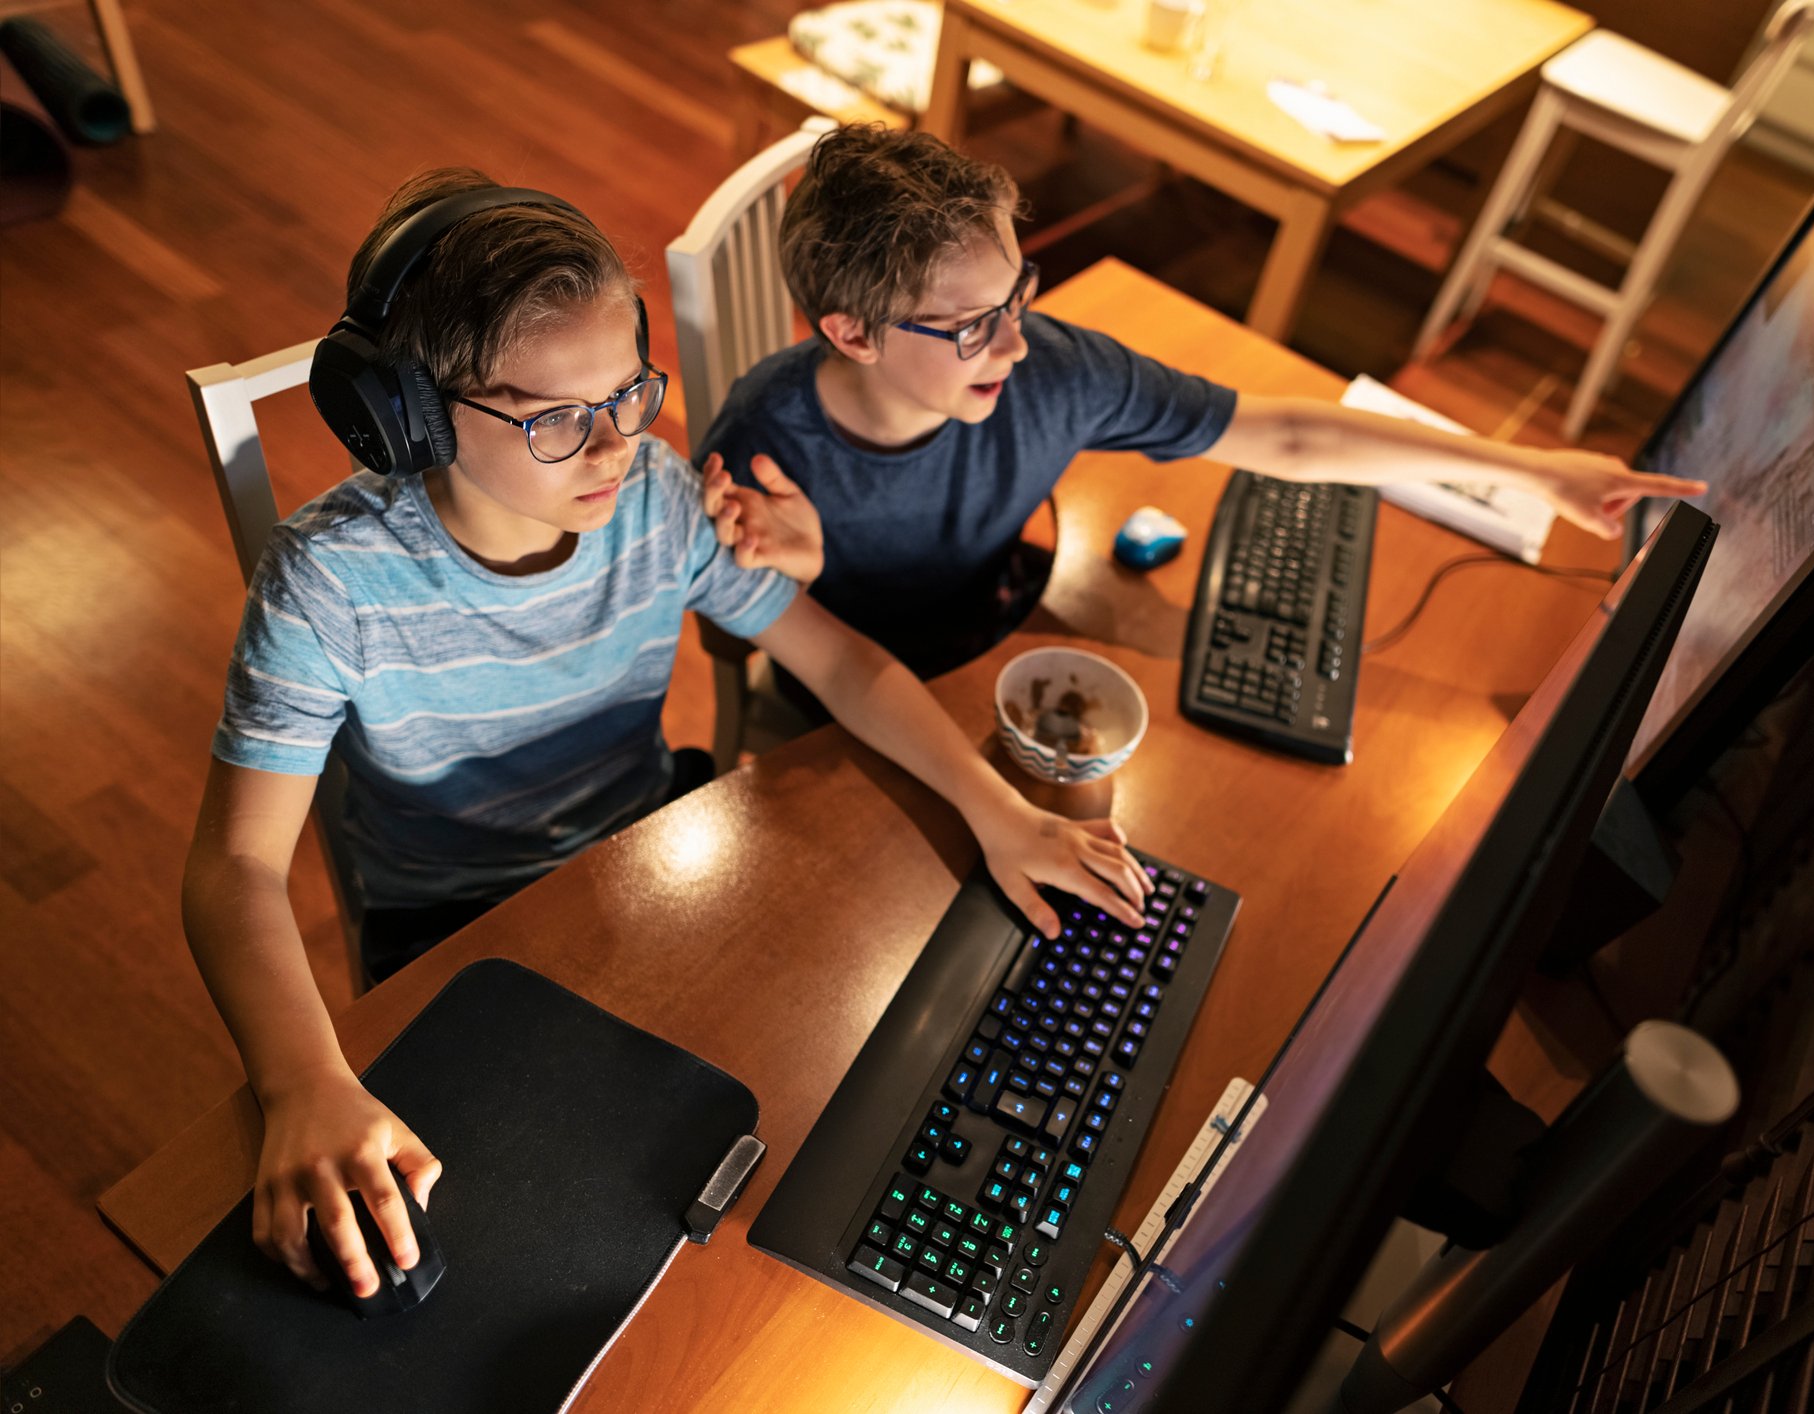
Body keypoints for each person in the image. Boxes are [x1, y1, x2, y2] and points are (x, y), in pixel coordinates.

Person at [181, 168, 1150, 1304]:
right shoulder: (330, 581)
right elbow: (237, 866)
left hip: (639, 860)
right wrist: (301, 1081)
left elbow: (835, 658)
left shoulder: (651, 497)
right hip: (457, 920)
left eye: (628, 395)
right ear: (407, 414)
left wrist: (1001, 811)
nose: (610, 449)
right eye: (552, 417)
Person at [699, 125, 1707, 688]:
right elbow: (738, 643)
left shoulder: (1049, 369)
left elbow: (1287, 430)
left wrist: (1530, 467)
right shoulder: (763, 446)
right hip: (853, 699)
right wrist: (803, 574)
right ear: (851, 334)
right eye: (968, 326)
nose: (1011, 341)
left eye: (1017, 294)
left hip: (1003, 631)